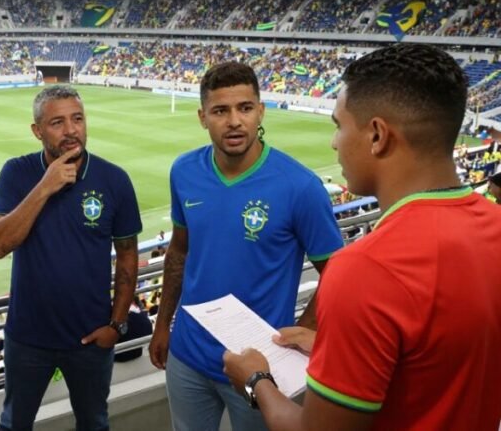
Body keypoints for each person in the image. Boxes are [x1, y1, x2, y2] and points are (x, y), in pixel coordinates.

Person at [224, 44, 501, 430]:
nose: (334, 142)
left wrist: (256, 380)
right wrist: (330, 345)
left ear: (377, 135)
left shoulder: (365, 268)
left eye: (339, 125)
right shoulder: (494, 223)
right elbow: (433, 358)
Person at [149, 61, 343, 431]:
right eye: (221, 111)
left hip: (260, 364)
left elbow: (337, 271)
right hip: (187, 355)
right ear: (203, 117)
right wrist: (163, 325)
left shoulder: (300, 187)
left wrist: (300, 333)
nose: (234, 121)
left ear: (261, 112)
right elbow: (179, 251)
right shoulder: (184, 171)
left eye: (245, 108)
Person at [0, 85, 142, 431]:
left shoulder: (114, 180)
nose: (71, 130)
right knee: (14, 424)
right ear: (37, 131)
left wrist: (116, 324)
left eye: (78, 119)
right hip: (27, 338)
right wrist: (45, 186)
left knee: (94, 423)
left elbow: (128, 255)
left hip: (91, 339)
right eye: (58, 122)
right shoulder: (17, 173)